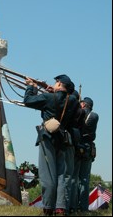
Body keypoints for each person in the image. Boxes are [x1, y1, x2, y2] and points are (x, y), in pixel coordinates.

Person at [23, 74, 79, 216]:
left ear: (60, 84)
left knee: (47, 175)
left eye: (56, 83)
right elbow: (64, 99)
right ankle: (60, 207)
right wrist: (52, 92)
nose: (54, 84)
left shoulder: (48, 98)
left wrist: (30, 87)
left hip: (47, 137)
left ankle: (48, 207)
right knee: (61, 174)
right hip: (62, 139)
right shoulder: (72, 101)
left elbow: (28, 101)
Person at [70, 97, 99, 213]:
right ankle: (83, 207)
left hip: (78, 147)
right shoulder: (94, 115)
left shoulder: (81, 114)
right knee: (84, 179)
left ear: (84, 104)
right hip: (88, 148)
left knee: (74, 177)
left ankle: (73, 205)